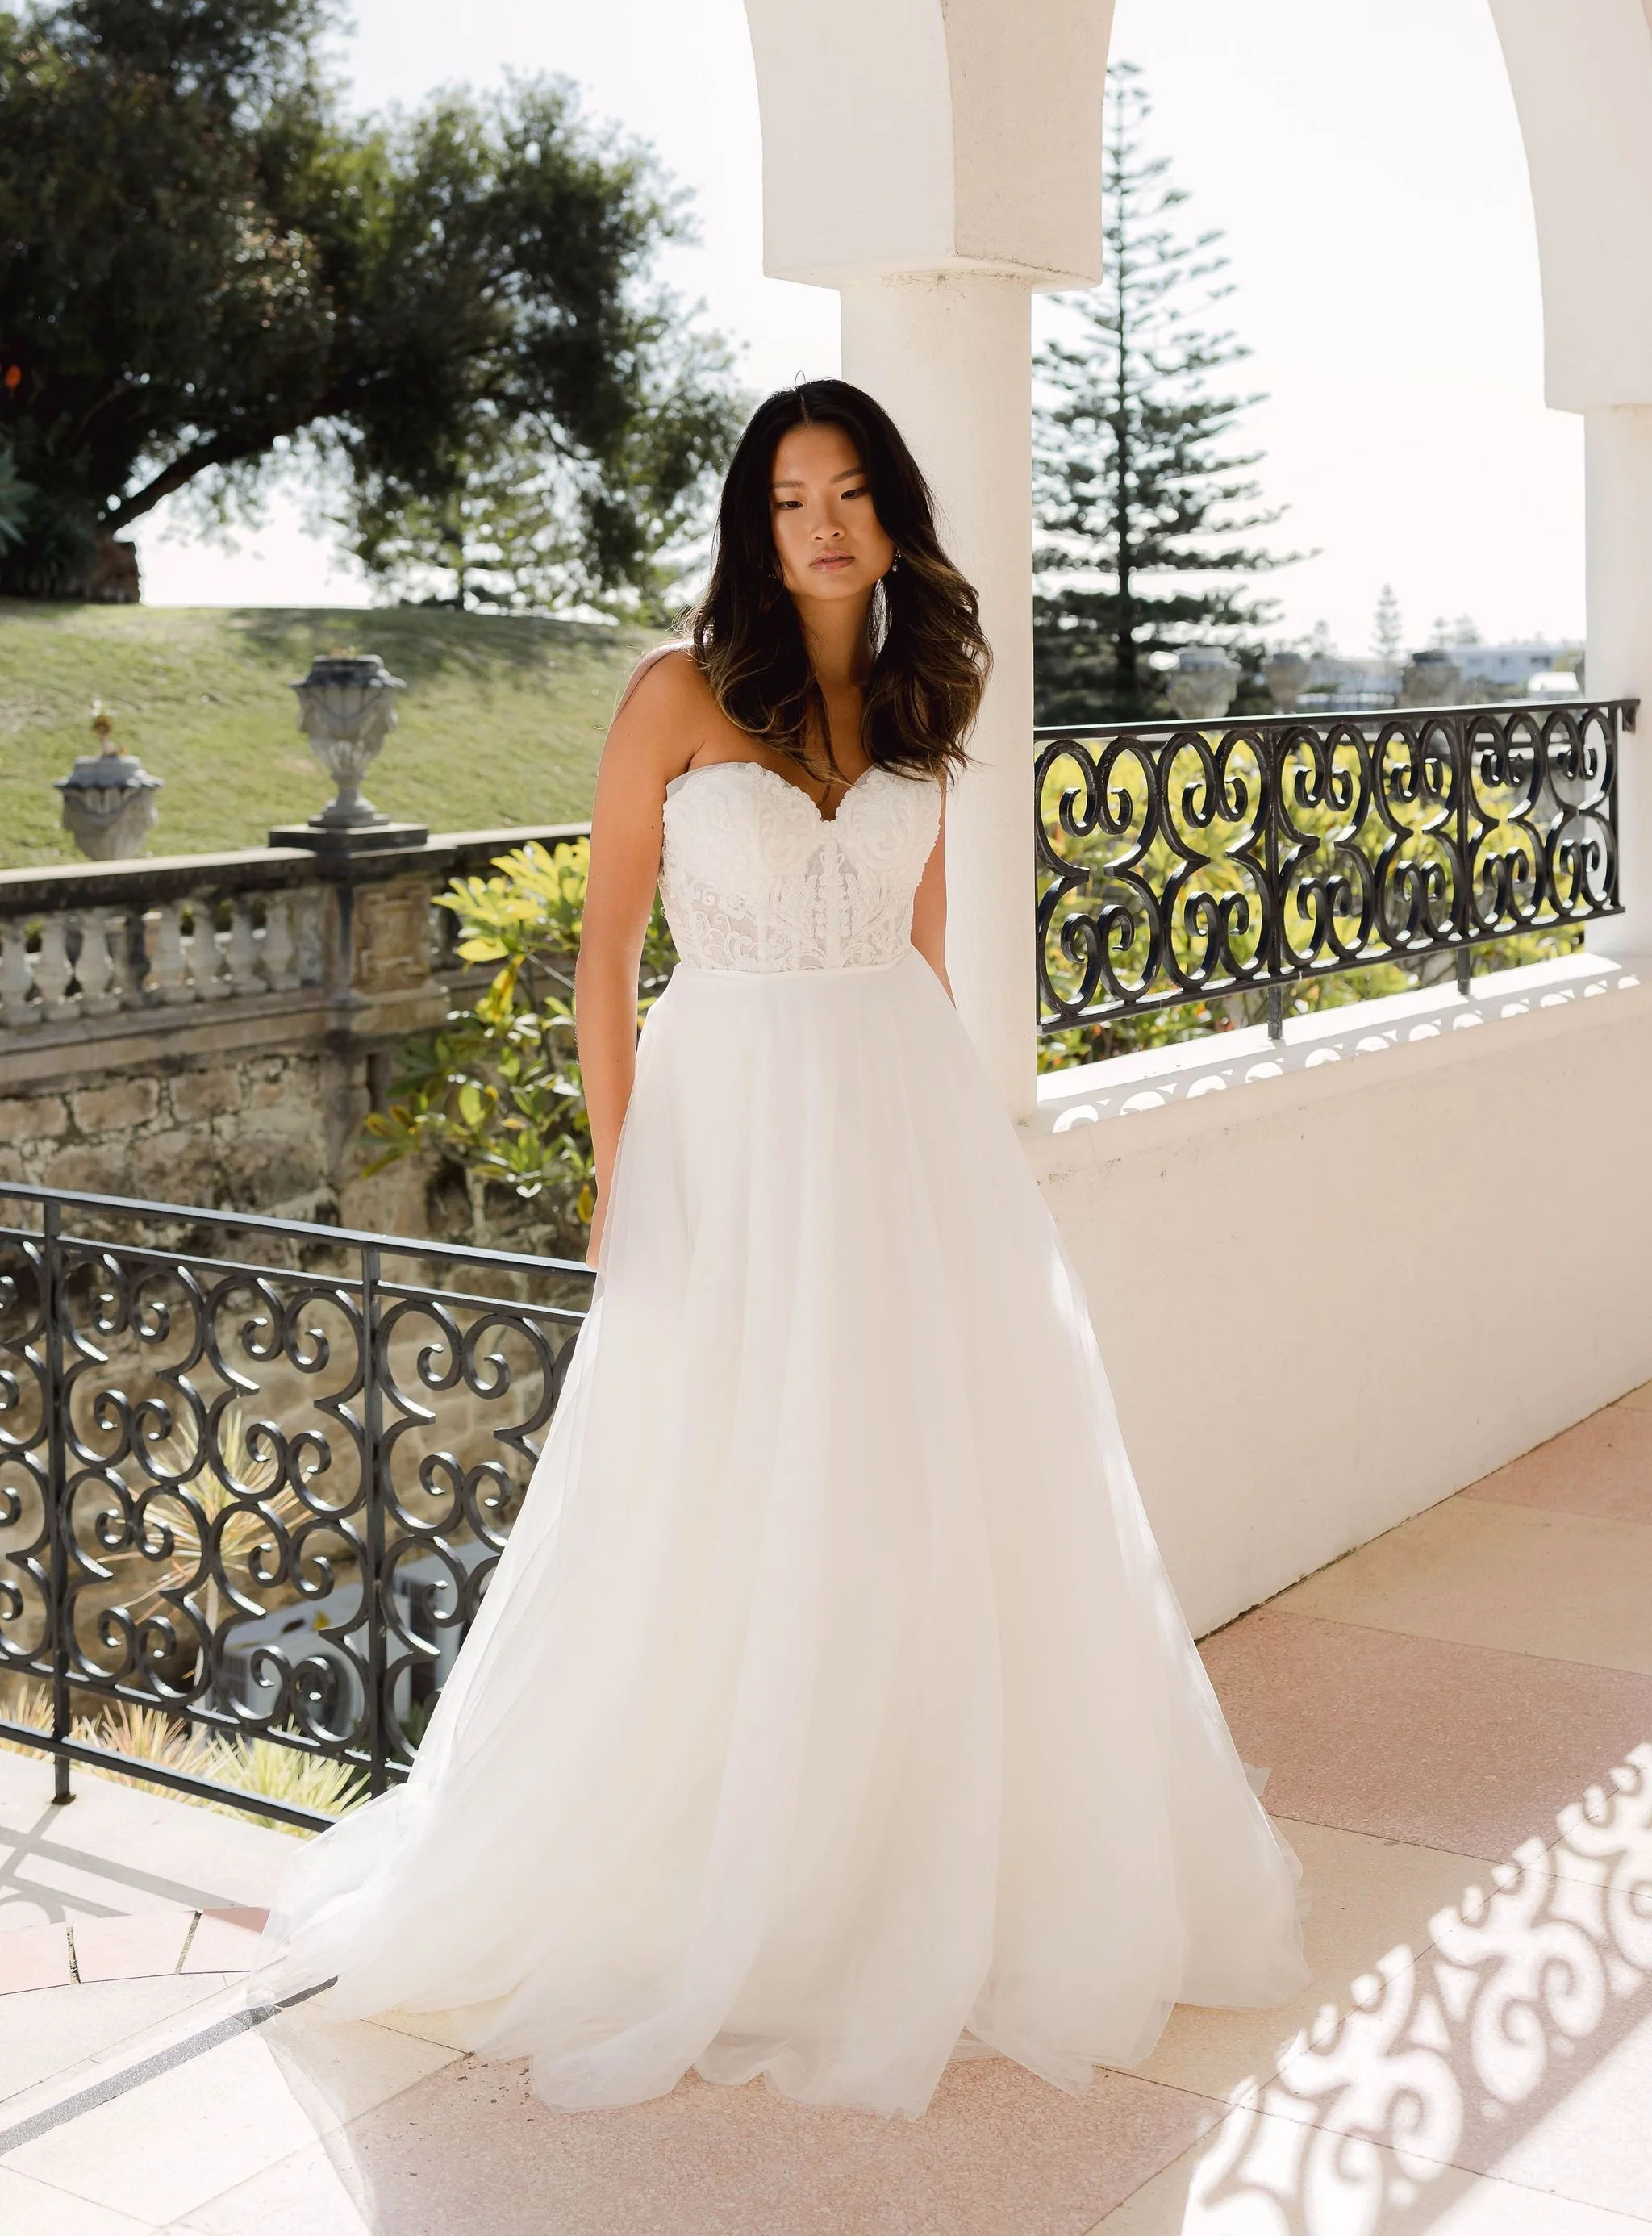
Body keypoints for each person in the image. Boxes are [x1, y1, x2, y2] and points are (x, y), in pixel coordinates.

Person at [252, 379, 1307, 2119]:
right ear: (756, 524)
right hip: (727, 1121)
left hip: (899, 1127)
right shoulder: (673, 693)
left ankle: (891, 1853)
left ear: (890, 516)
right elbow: (603, 958)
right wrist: (617, 1168)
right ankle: (714, 1862)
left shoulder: (919, 698)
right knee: (715, 1474)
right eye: (786, 496)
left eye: (847, 494)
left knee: (911, 1481)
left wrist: (960, 1162)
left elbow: (926, 952)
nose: (817, 523)